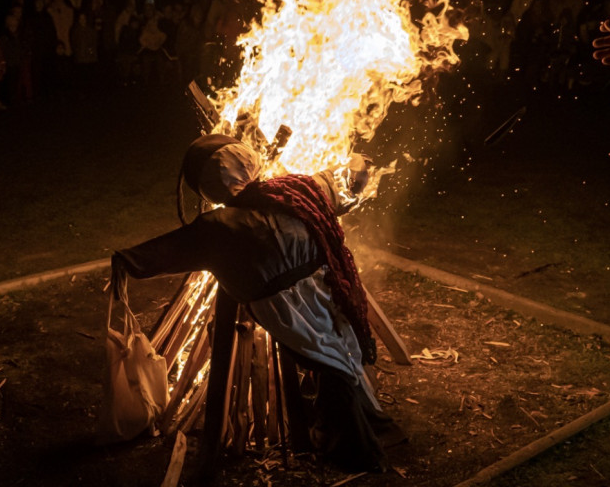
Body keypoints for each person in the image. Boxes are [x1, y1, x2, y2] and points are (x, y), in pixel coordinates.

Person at [112, 134, 405, 479]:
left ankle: (357, 444)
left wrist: (127, 261)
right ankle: (363, 436)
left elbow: (169, 250)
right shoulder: (296, 189)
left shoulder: (217, 226)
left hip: (291, 307)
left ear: (209, 189)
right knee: (339, 360)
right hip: (324, 294)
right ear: (250, 162)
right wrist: (359, 170)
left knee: (336, 361)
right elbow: (334, 183)